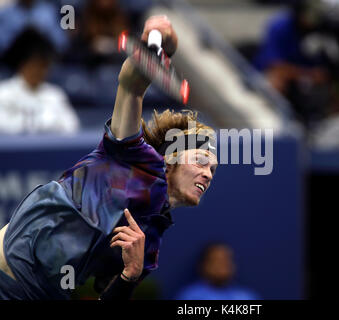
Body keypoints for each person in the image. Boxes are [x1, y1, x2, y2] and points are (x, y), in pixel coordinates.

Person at [0, 15, 218, 300]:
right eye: (201, 160)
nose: (209, 173)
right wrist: (158, 42)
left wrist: (130, 274)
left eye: (213, 169)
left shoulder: (149, 242)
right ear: (170, 157)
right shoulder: (129, 156)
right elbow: (131, 84)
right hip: (12, 266)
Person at [0, 28, 80, 134]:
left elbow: (72, 127)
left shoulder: (55, 94)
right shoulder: (4, 92)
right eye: (35, 65)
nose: (39, 71)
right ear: (23, 64)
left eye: (43, 66)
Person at [175, 243, 259, 300]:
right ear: (204, 266)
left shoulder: (246, 296)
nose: (223, 266)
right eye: (216, 261)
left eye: (226, 260)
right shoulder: (190, 296)